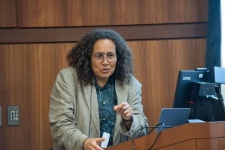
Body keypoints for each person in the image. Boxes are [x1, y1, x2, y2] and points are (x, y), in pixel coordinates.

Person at [49, 29, 149, 150]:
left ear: (119, 57)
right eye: (99, 56)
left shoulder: (131, 84)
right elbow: (60, 125)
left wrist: (129, 119)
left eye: (110, 55)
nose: (105, 62)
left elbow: (142, 131)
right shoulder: (68, 79)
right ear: (88, 58)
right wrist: (83, 142)